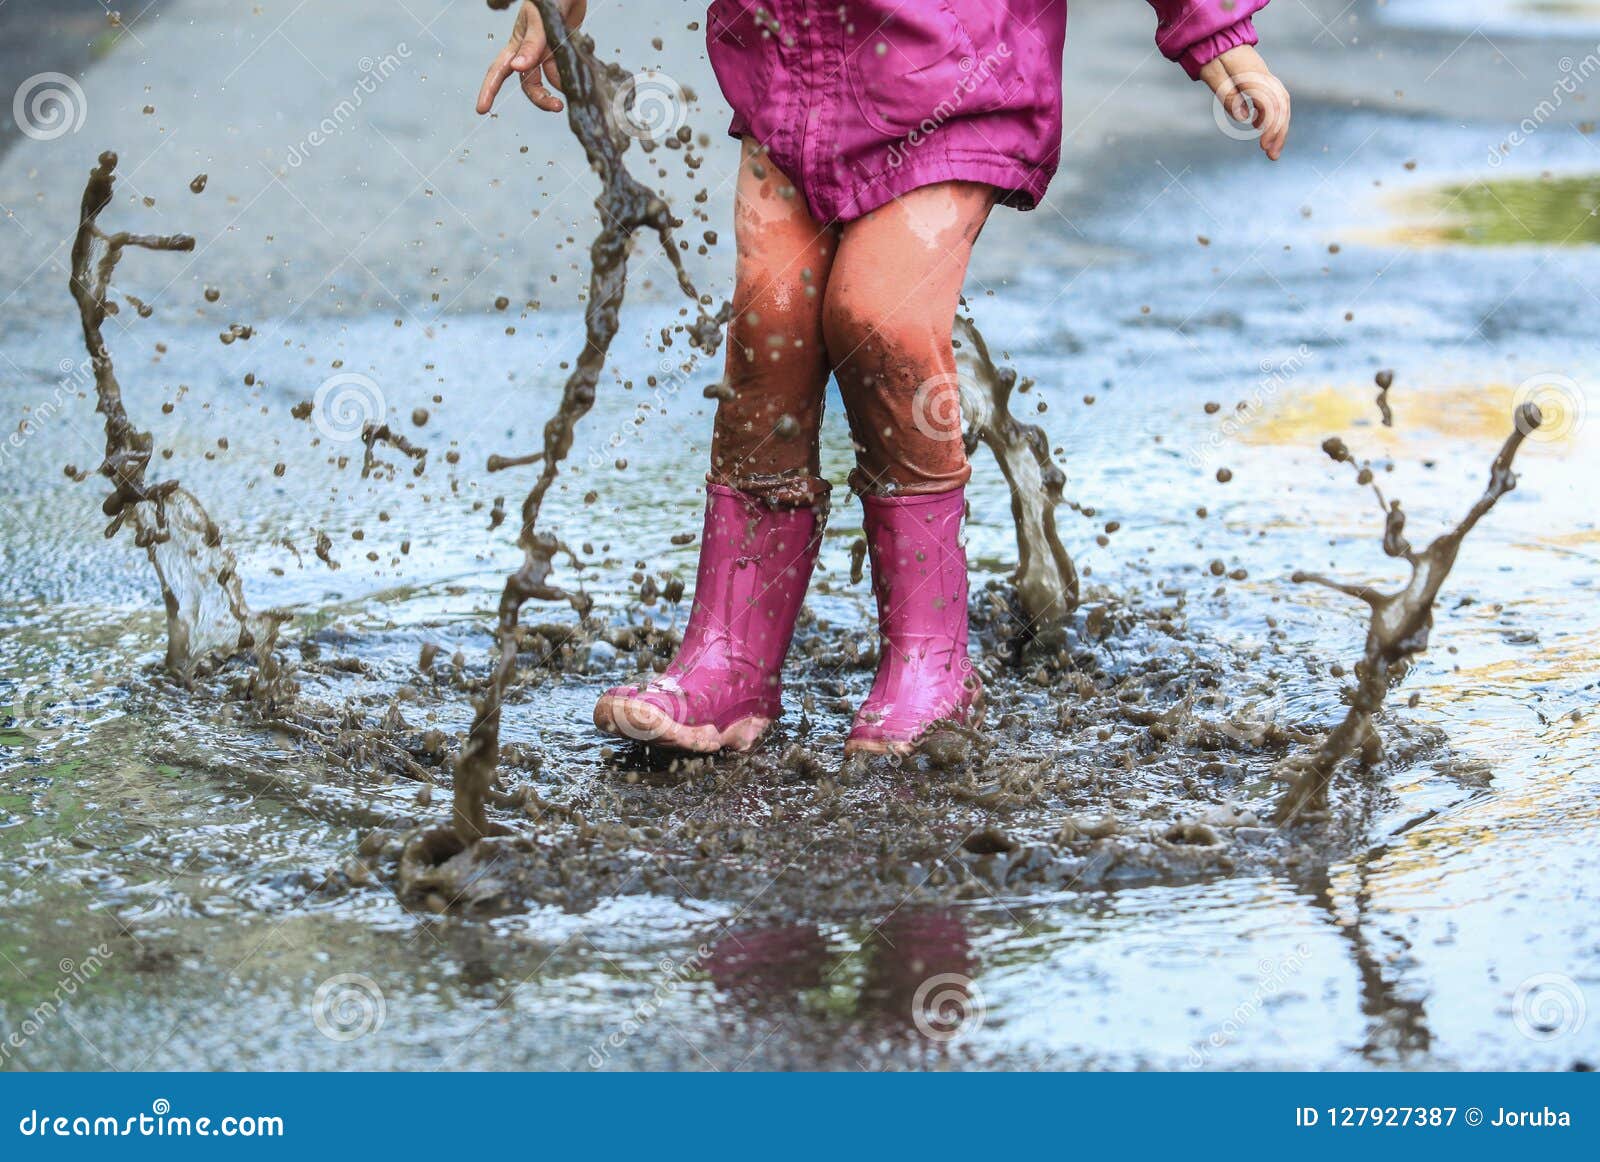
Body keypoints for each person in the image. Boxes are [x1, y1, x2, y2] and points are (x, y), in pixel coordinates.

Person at [477, 0, 1291, 755]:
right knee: (770, 331)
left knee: (879, 319)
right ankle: (730, 660)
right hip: (792, 69)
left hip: (954, 72)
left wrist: (1218, 32)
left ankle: (932, 658)